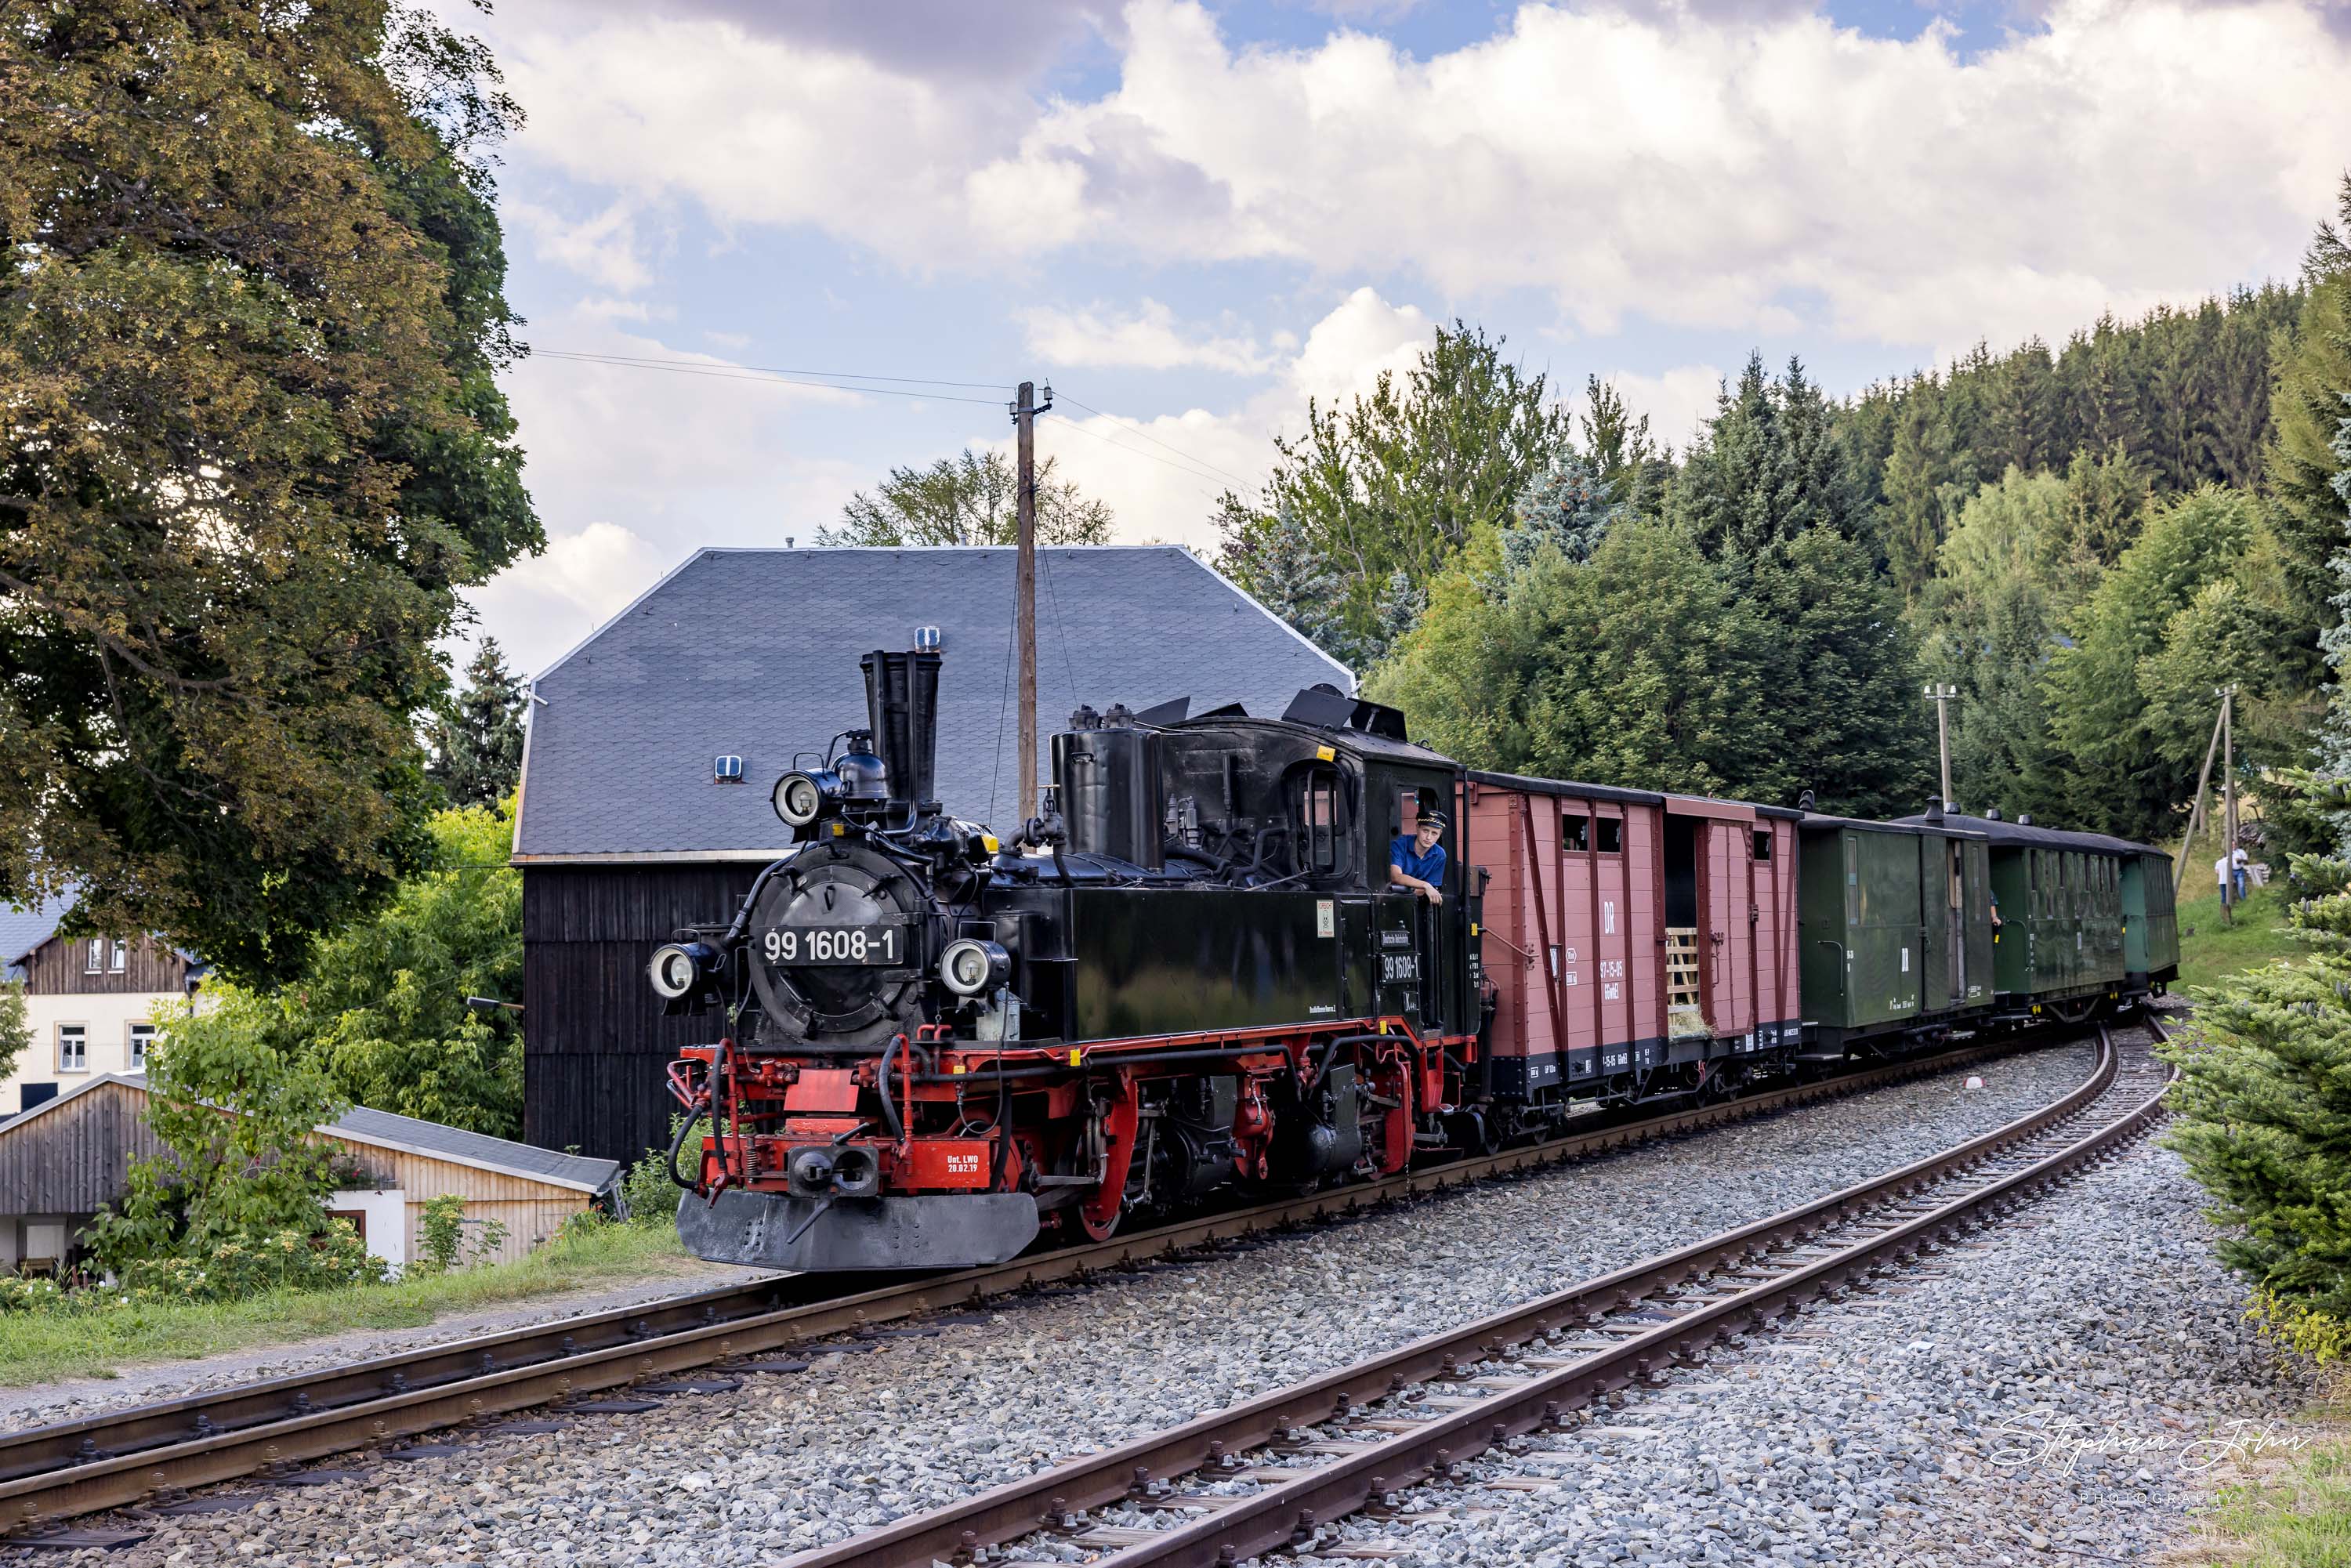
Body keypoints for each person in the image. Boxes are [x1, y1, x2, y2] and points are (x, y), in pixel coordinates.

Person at [1390, 812, 1447, 904]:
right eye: (1425, 831)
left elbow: (1431, 890)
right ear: (1417, 828)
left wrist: (1426, 888)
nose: (1429, 837)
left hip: (1415, 904)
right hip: (1391, 899)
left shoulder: (1440, 855)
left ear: (1440, 834)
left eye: (1434, 833)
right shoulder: (1399, 845)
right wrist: (1425, 885)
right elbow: (1396, 876)